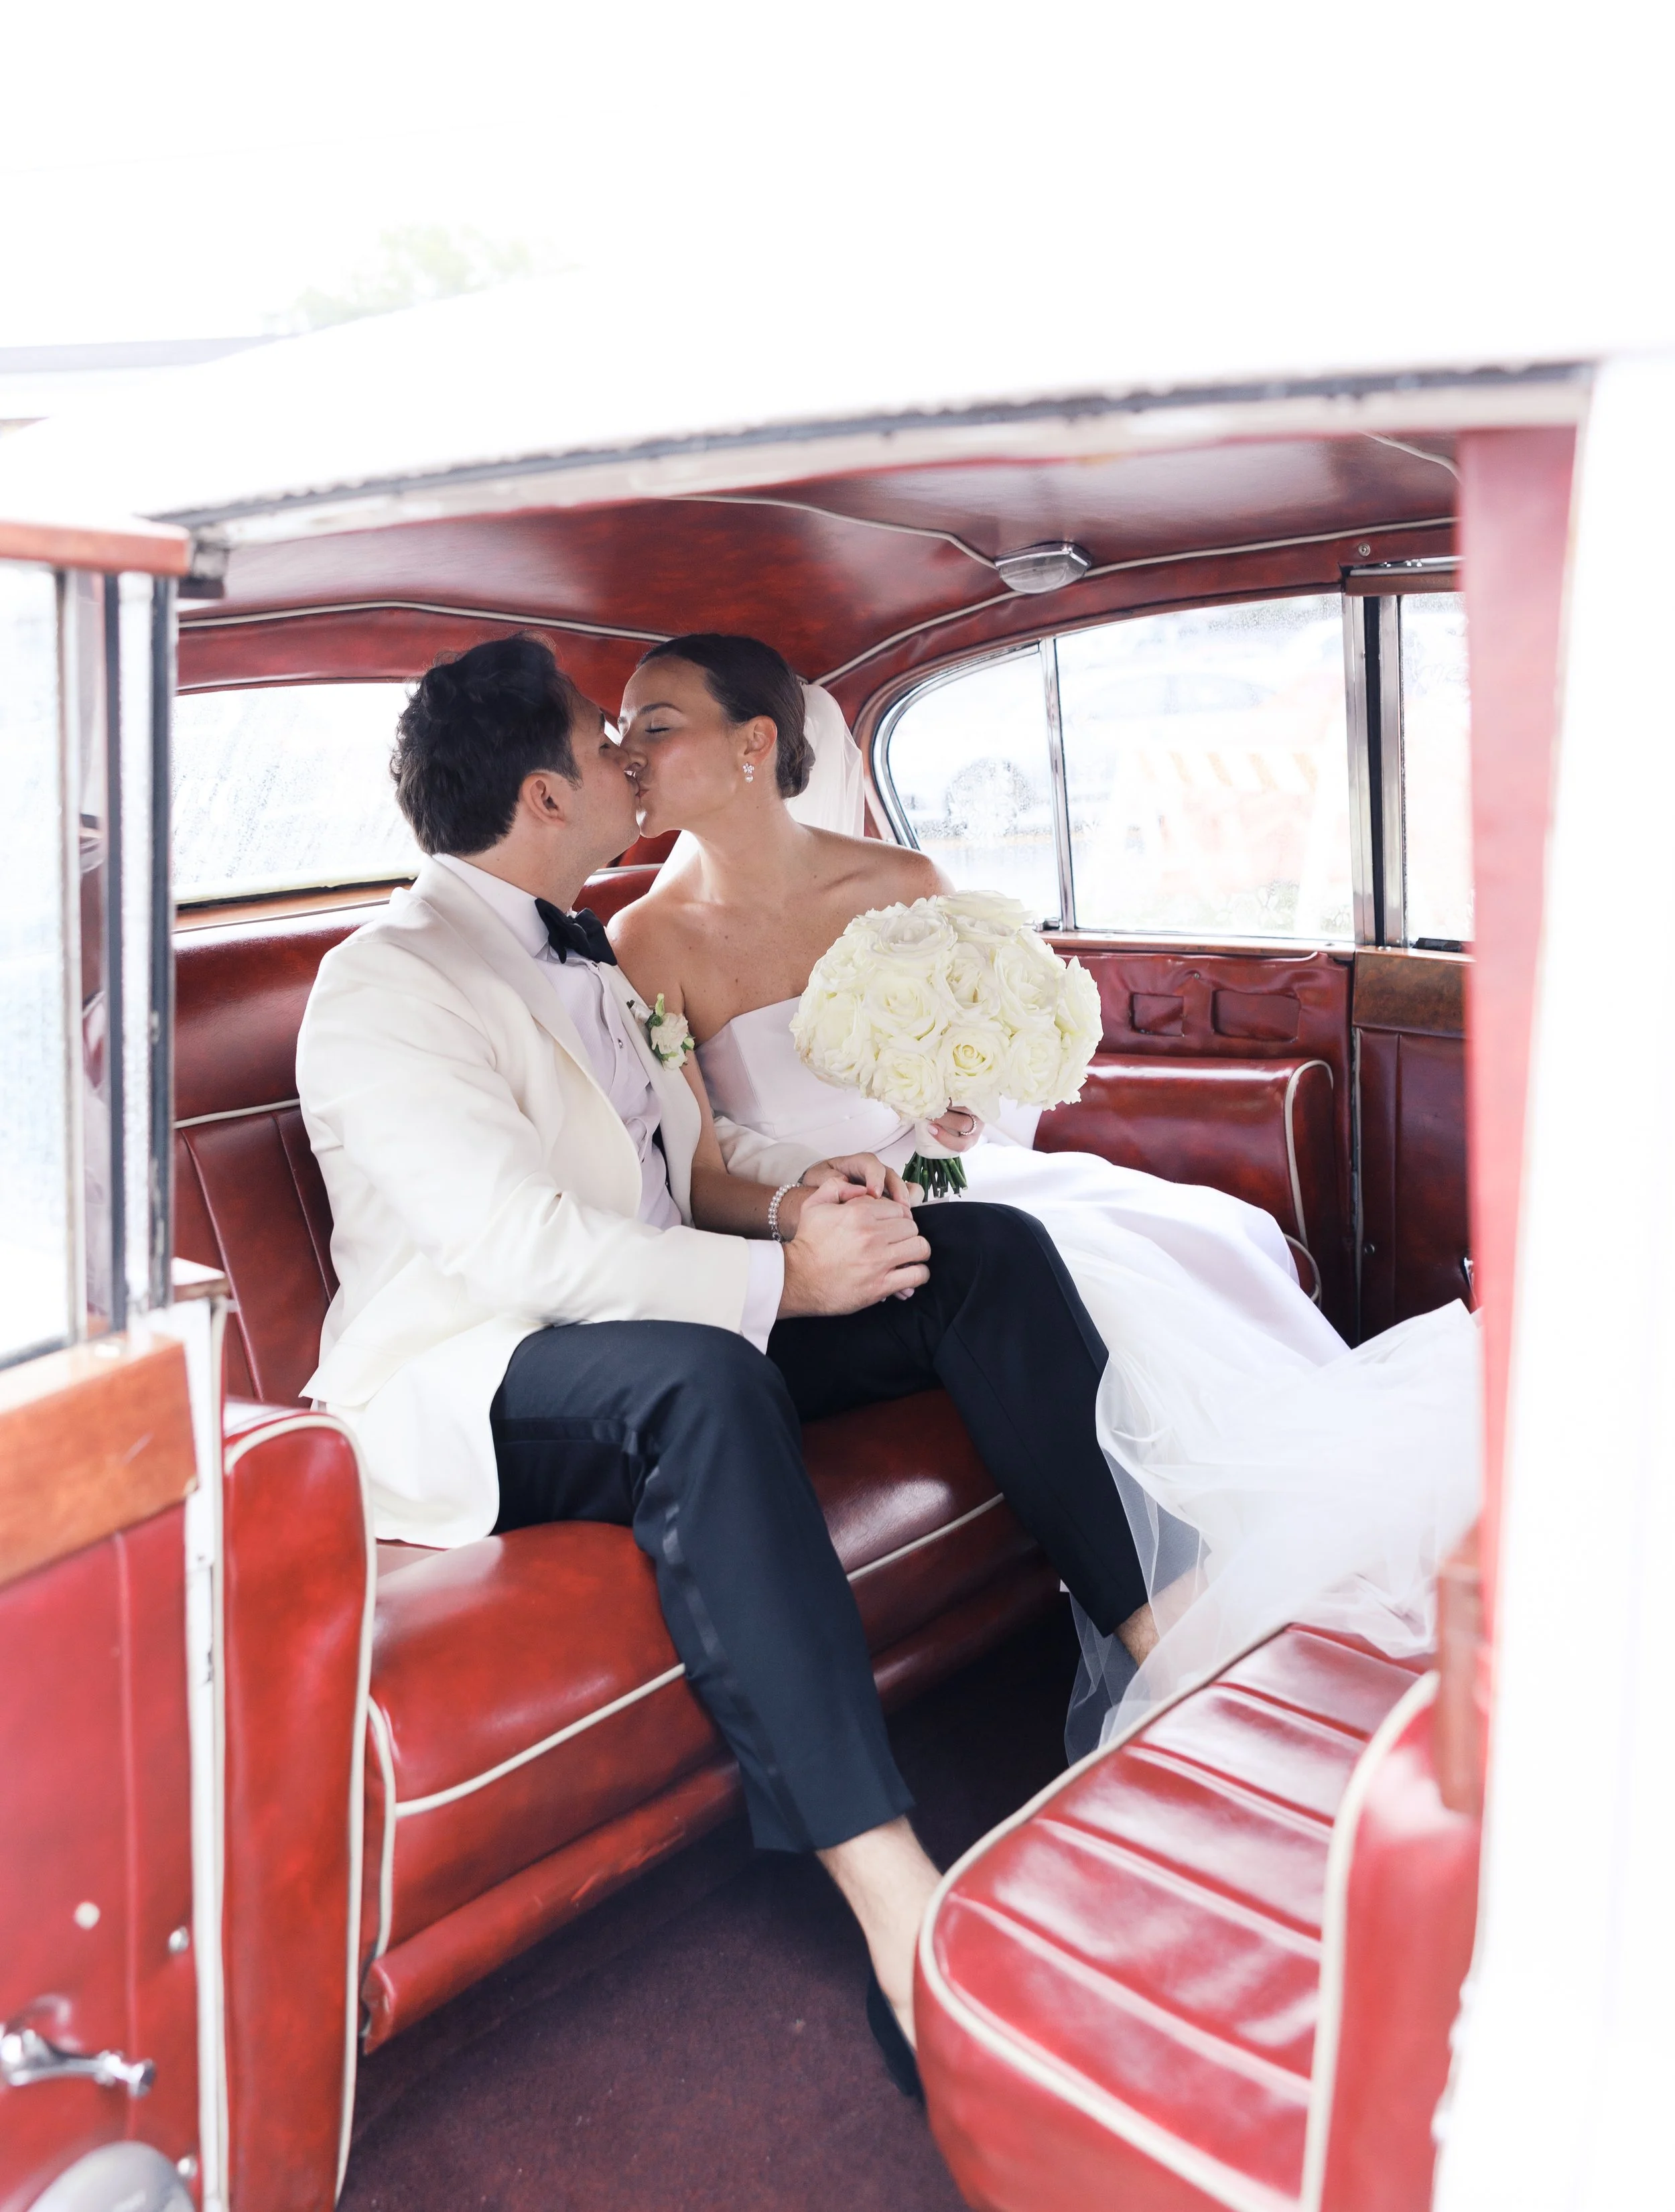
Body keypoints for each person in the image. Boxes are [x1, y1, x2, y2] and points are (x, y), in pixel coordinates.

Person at [295, 633, 1156, 2097]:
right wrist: (779, 1283)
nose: (629, 763)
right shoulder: (389, 982)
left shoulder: (586, 942)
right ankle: (897, 1908)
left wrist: (807, 1193)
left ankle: (1167, 1652)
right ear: (543, 796)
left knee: (980, 1250)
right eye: (604, 741)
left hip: (658, 1311)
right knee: (704, 1382)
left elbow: (684, 1155)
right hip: (486, 1373)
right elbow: (518, 1247)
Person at [611, 633, 1481, 1750]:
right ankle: (1193, 1641)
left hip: (955, 1176)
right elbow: (697, 1172)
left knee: (1201, 1240)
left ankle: (1276, 1613)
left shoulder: (900, 886)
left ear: (755, 744)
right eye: (620, 730)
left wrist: (962, 1108)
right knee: (1060, 1277)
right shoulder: (643, 941)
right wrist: (815, 1207)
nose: (626, 751)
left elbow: (989, 1068)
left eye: (655, 725)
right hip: (827, 1231)